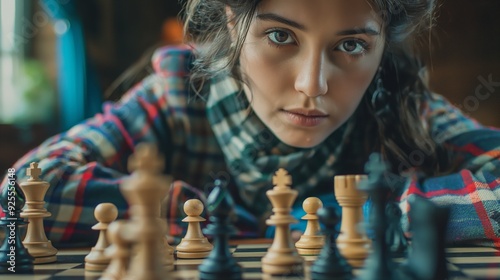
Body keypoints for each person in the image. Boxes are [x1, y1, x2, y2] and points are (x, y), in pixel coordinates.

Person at [1, 0, 499, 247]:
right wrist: (215, 220)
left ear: (382, 48)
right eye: (281, 36)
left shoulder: (402, 105)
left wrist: (354, 221)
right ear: (232, 23)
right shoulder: (176, 94)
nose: (312, 85)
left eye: (351, 46)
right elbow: (21, 192)